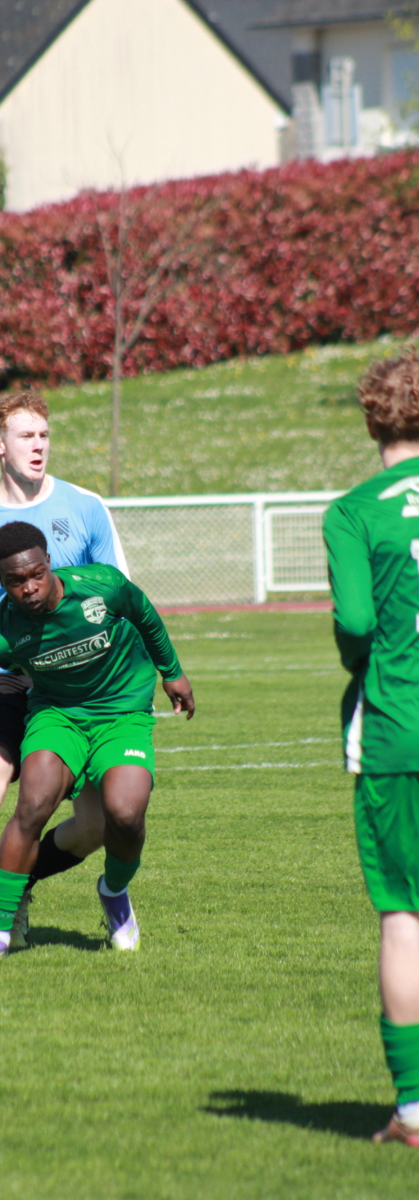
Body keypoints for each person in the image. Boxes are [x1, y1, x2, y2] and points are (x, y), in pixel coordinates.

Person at [0, 520, 195, 962]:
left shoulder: (101, 586)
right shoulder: (1, 630)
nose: (29, 587)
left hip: (121, 713)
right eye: (16, 581)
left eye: (36, 574)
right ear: (1, 581)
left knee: (125, 815)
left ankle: (114, 891)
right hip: (57, 715)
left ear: (49, 562)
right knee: (33, 803)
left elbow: (144, 612)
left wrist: (172, 672)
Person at [0, 389, 128, 964]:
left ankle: (18, 882)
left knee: (95, 825)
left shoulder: (85, 506)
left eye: (44, 435)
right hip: (7, 678)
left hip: (78, 681)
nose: (39, 446)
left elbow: (121, 595)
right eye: (26, 436)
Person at [323, 346, 419, 1146]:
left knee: (404, 915)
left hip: (398, 725)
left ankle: (415, 1111)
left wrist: (365, 660)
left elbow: (356, 622)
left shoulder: (354, 511)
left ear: (370, 420)